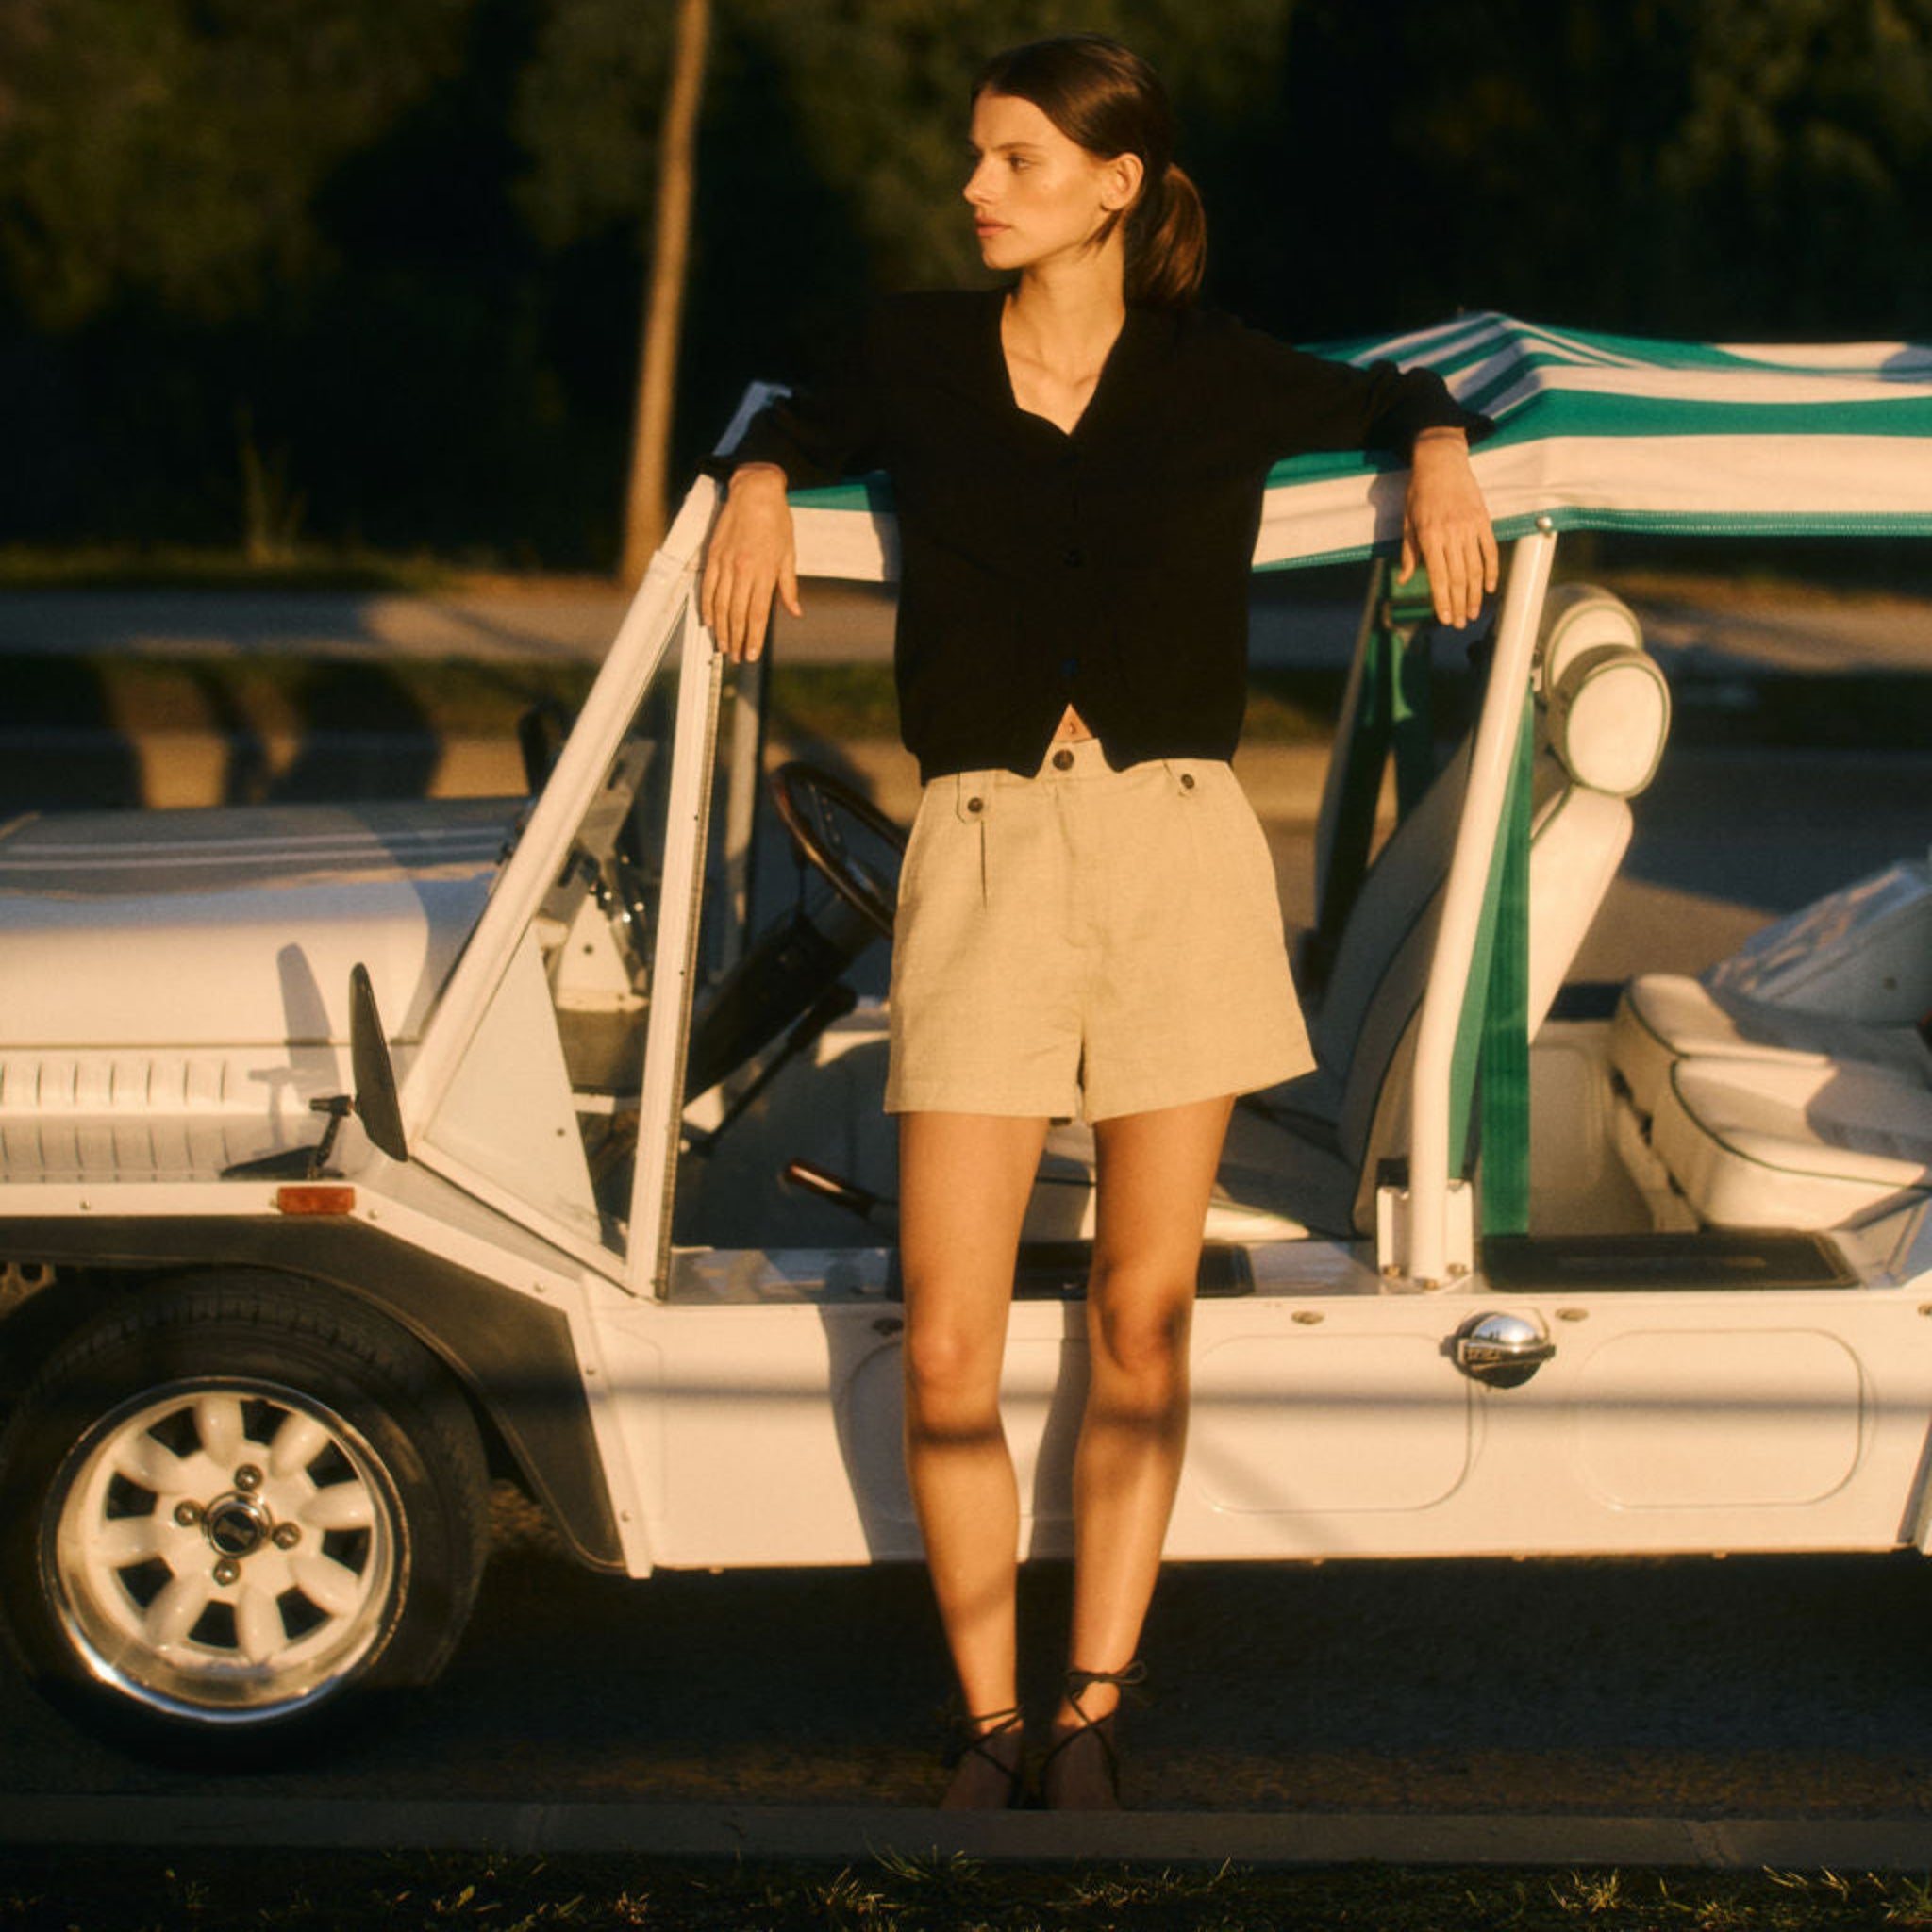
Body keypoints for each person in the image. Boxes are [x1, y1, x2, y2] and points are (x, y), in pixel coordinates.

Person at [700, 34, 1496, 1809]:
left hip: (1177, 858)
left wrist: (1441, 452)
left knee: (1145, 1318)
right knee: (948, 1337)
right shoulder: (913, 352)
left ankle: (1095, 1707)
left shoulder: (1215, 373)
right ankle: (991, 1721)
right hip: (980, 855)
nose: (975, 188)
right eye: (978, 157)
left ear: (1117, 186)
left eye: (1017, 162)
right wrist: (756, 483)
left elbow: (1403, 393)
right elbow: (778, 413)